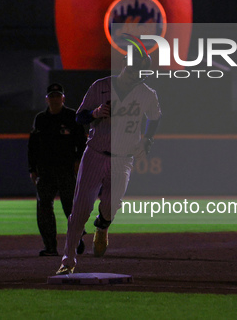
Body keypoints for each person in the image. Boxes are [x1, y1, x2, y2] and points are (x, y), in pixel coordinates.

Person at [56, 54, 161, 275]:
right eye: (133, 71)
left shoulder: (146, 93)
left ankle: (102, 226)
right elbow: (79, 117)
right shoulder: (101, 86)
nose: (135, 77)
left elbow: (155, 116)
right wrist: (95, 113)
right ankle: (68, 260)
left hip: (123, 158)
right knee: (80, 209)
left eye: (140, 73)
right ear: (124, 65)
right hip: (95, 153)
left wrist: (148, 139)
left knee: (111, 206)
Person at [28, 83, 87, 256]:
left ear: (63, 98)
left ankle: (77, 240)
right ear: (47, 99)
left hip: (66, 169)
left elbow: (82, 143)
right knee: (44, 207)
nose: (54, 99)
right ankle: (50, 247)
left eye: (57, 95)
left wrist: (78, 162)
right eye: (51, 96)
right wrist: (32, 168)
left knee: (70, 207)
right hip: (45, 171)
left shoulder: (71, 116)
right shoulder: (41, 119)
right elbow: (32, 146)